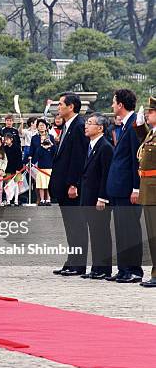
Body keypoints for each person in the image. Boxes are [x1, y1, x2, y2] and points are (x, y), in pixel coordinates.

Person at [49, 93, 89, 277]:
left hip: (71, 186)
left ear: (71, 106)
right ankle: (72, 260)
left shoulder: (80, 126)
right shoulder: (67, 126)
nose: (58, 108)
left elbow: (79, 158)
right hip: (62, 184)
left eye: (61, 104)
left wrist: (74, 183)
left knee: (76, 225)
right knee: (69, 225)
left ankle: (78, 263)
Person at [105, 89, 143, 283]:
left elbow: (137, 160)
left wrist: (136, 188)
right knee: (121, 230)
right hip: (119, 187)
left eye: (114, 102)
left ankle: (133, 269)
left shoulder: (135, 124)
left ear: (120, 104)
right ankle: (123, 269)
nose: (112, 106)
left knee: (130, 230)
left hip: (128, 188)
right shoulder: (126, 124)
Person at [79, 113, 114, 280]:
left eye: (90, 123)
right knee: (94, 233)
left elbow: (106, 175)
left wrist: (102, 197)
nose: (86, 125)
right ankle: (96, 267)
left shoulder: (105, 147)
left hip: (98, 198)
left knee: (101, 233)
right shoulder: (91, 145)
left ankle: (104, 269)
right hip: (88, 195)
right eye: (86, 123)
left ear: (100, 128)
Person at [134, 97, 156, 287]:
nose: (148, 114)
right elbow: (144, 140)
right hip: (148, 190)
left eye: (151, 112)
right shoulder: (152, 134)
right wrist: (140, 125)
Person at [28, 119, 56, 206]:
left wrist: (50, 145)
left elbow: (54, 150)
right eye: (40, 125)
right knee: (39, 182)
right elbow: (32, 150)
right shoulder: (34, 138)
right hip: (38, 162)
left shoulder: (50, 137)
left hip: (49, 161)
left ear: (46, 127)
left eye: (43, 125)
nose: (41, 127)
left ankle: (48, 199)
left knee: (48, 182)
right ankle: (40, 199)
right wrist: (30, 159)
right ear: (37, 127)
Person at [3, 133, 23, 206]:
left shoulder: (17, 147)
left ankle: (16, 200)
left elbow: (19, 159)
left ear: (11, 139)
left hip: (16, 169)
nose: (5, 141)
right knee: (8, 184)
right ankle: (8, 200)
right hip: (7, 168)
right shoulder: (4, 148)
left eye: (7, 139)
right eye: (5, 139)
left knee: (16, 184)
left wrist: (18, 168)